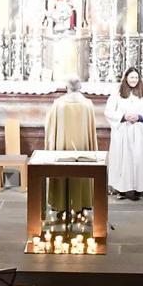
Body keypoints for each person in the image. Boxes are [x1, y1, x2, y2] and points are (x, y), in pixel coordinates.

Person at [42, 76, 98, 216]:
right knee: (82, 168)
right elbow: (92, 131)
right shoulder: (87, 104)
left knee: (63, 168)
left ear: (66, 87)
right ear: (80, 87)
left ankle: (61, 204)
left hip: (63, 147)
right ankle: (83, 202)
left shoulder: (58, 104)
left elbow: (50, 127)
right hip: (82, 147)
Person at [105, 67, 143, 201]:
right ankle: (122, 188)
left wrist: (140, 117)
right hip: (123, 131)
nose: (134, 80)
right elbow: (109, 111)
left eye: (136, 77)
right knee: (123, 160)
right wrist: (123, 116)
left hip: (139, 131)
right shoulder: (117, 92)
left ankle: (139, 187)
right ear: (126, 78)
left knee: (138, 158)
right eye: (131, 77)